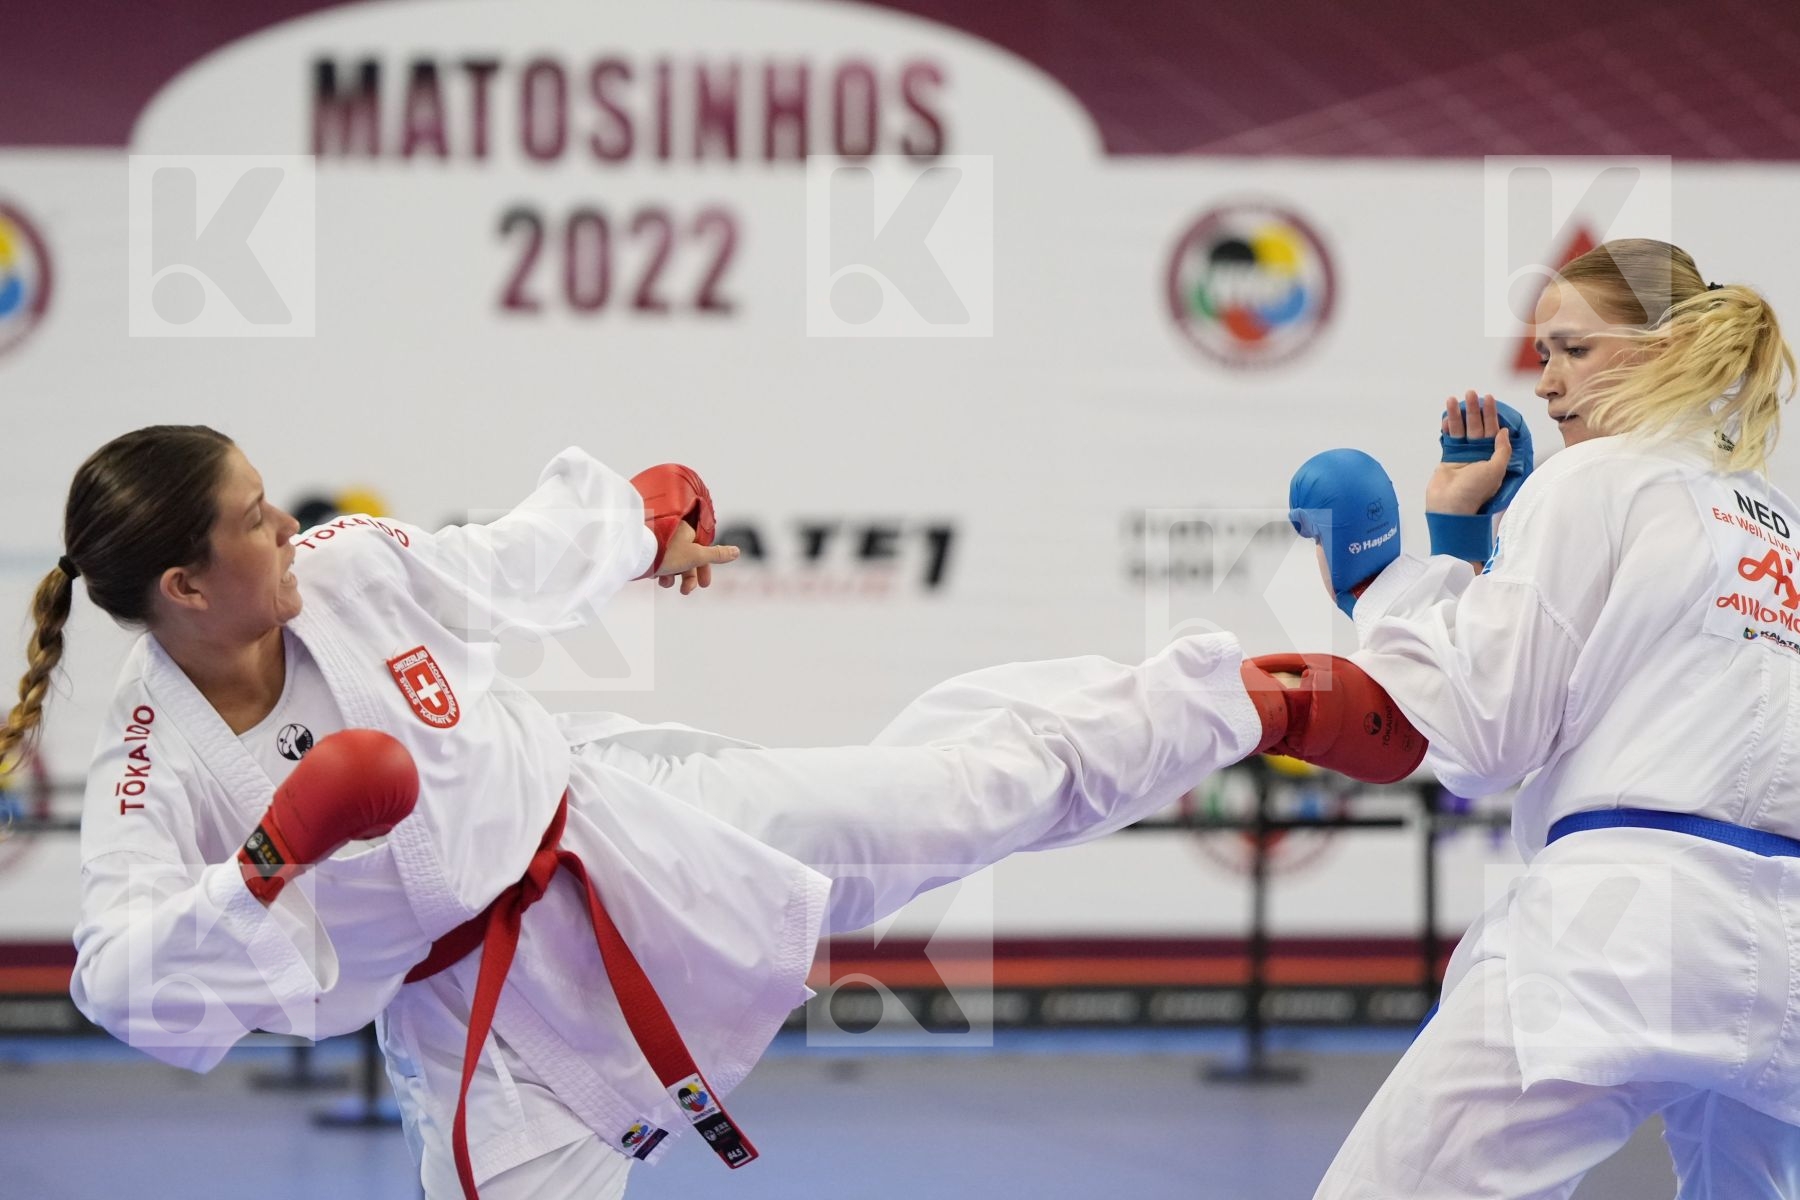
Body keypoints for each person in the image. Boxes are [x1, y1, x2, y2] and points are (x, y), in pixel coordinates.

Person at [1, 426, 1423, 1200]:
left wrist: (638, 514)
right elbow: (121, 980)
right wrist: (265, 862)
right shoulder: (153, 762)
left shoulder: (346, 570)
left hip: (626, 836)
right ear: (186, 588)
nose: (278, 523)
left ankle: (1260, 699)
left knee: (956, 794)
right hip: (484, 1041)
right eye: (249, 519)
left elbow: (503, 564)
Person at [1293, 238, 1800, 1198]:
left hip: (1625, 929)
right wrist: (1484, 546)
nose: (1552, 386)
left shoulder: (1594, 479)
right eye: (1543, 359)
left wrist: (1385, 588)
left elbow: (1484, 743)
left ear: (1662, 347)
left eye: (1576, 350)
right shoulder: (1777, 518)